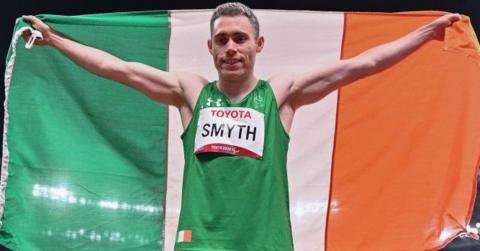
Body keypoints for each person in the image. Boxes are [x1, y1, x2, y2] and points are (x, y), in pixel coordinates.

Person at [23, 2, 461, 251]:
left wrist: (424, 34)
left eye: (240, 38)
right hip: (200, 244)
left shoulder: (281, 94)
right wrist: (56, 40)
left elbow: (362, 64)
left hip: (266, 244)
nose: (231, 47)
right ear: (210, 48)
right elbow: (118, 69)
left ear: (258, 44)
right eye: (221, 40)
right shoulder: (191, 92)